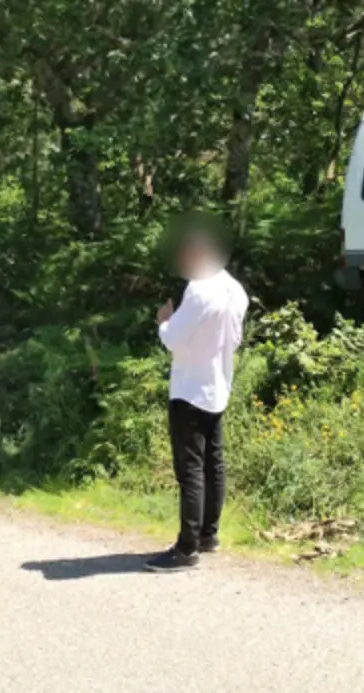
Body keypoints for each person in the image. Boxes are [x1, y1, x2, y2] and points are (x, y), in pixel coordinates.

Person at [145, 224, 248, 572]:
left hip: (189, 389)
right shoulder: (233, 288)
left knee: (190, 470)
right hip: (218, 385)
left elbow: (173, 338)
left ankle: (186, 549)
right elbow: (234, 339)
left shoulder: (199, 289)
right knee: (213, 464)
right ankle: (209, 534)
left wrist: (163, 321)